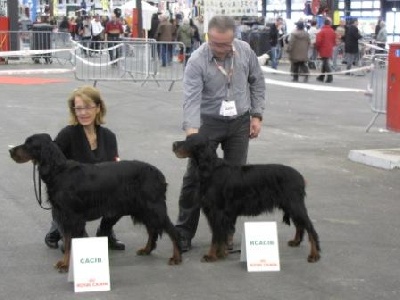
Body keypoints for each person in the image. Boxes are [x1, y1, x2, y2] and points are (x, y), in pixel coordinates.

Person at [175, 15, 266, 252]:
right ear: (208, 37)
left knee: (234, 182)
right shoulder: (197, 60)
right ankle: (183, 233)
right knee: (195, 178)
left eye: (225, 44)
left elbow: (257, 82)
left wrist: (257, 115)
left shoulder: (245, 51)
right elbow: (191, 100)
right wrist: (193, 136)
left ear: (234, 38)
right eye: (215, 43)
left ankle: (225, 234)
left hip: (239, 121)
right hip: (208, 123)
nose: (220, 49)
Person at [44, 85, 125, 251]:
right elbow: (51, 166)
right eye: (78, 108)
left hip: (98, 193)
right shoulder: (67, 134)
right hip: (73, 197)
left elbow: (114, 169)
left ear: (98, 108)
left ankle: (105, 232)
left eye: (87, 107)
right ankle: (57, 228)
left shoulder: (109, 137)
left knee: (124, 193)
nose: (82, 113)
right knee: (84, 248)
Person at [315, 18, 336, 83]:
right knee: (325, 62)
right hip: (330, 48)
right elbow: (334, 41)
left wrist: (317, 48)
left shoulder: (321, 31)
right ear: (329, 24)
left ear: (324, 24)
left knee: (326, 63)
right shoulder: (332, 31)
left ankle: (330, 77)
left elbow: (318, 41)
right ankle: (321, 77)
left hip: (323, 48)